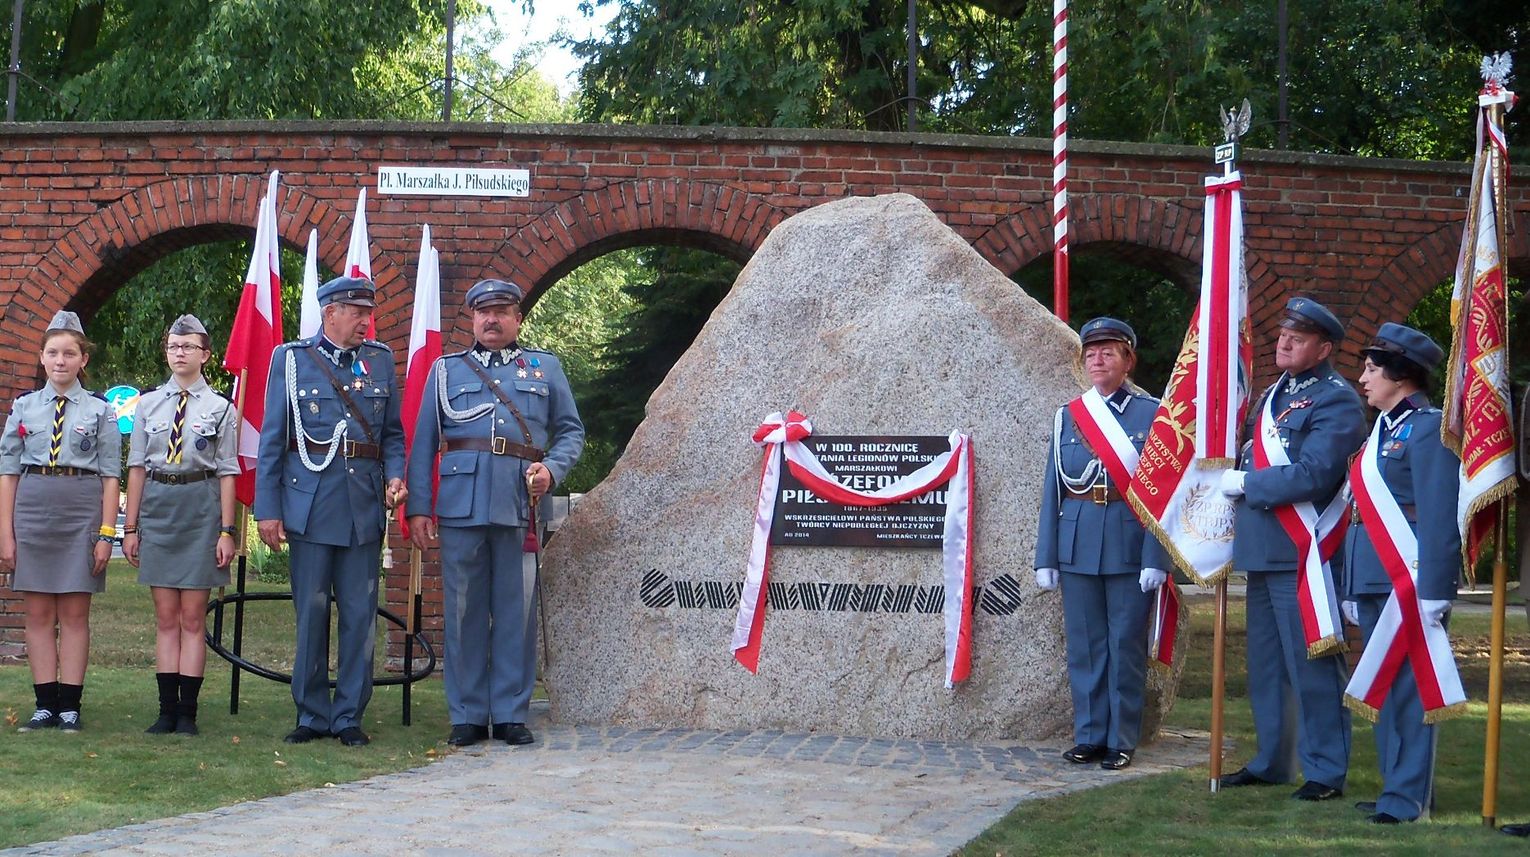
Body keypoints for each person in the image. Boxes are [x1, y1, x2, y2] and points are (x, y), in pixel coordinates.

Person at [406, 279, 584, 747]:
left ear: (517, 319)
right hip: (461, 506)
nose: (492, 320)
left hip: (519, 504)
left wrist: (552, 469)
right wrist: (419, 508)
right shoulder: (446, 371)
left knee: (514, 611)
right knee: (463, 611)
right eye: (483, 312)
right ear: (472, 319)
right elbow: (423, 444)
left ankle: (509, 713)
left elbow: (571, 432)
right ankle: (467, 714)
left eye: (502, 312)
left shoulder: (544, 368)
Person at [1217, 296, 1366, 800]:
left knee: (1312, 665)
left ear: (1323, 349)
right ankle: (1272, 760)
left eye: (1297, 339)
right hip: (1262, 547)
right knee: (1266, 666)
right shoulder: (1273, 394)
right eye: (1283, 335)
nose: (1283, 343)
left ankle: (1325, 770)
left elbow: (1316, 474)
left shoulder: (1336, 400)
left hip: (1304, 551)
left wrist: (1248, 484)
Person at [254, 276, 407, 747]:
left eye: (368, 313)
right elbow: (273, 439)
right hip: (311, 503)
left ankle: (349, 717)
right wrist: (268, 509)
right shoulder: (292, 360)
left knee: (360, 615)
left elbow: (393, 434)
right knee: (312, 614)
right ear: (330, 314)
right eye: (357, 313)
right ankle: (312, 713)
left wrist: (396, 476)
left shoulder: (379, 360)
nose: (365, 322)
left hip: (362, 503)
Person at [1034, 317, 1170, 771]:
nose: (1097, 360)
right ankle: (1089, 735)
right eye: (1090, 353)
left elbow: (1161, 493)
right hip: (1076, 542)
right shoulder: (1068, 415)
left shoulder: (1152, 414)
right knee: (1085, 646)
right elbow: (1053, 488)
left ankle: (1121, 739)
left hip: (1130, 543)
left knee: (1125, 646)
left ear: (1128, 360)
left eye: (1108, 352)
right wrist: (1046, 556)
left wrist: (1157, 557)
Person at [1341, 322, 1458, 824]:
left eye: (1372, 369)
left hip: (1408, 578)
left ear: (1401, 374)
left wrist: (1435, 586)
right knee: (1384, 682)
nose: (1363, 379)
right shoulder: (1382, 430)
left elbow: (1438, 512)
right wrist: (1350, 582)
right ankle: (1395, 786)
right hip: (1372, 575)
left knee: (1410, 689)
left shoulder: (1428, 428)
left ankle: (1408, 797)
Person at [0, 310, 122, 733]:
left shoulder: (101, 411)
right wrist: (6, 533)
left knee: (73, 612)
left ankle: (69, 705)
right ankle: (44, 704)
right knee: (37, 613)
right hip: (33, 509)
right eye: (53, 352)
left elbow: (111, 476)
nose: (60, 361)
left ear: (83, 359)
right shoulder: (24, 407)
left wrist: (106, 534)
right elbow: (8, 472)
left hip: (80, 508)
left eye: (69, 353)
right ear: (41, 356)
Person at [122, 315, 240, 736]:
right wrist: (130, 528)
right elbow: (137, 467)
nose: (179, 353)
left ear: (205, 354)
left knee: (192, 618)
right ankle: (165, 710)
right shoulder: (148, 404)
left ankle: (187, 713)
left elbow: (227, 472)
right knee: (166, 617)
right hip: (159, 508)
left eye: (188, 346)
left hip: (200, 508)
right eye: (173, 346)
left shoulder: (221, 408)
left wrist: (227, 531)